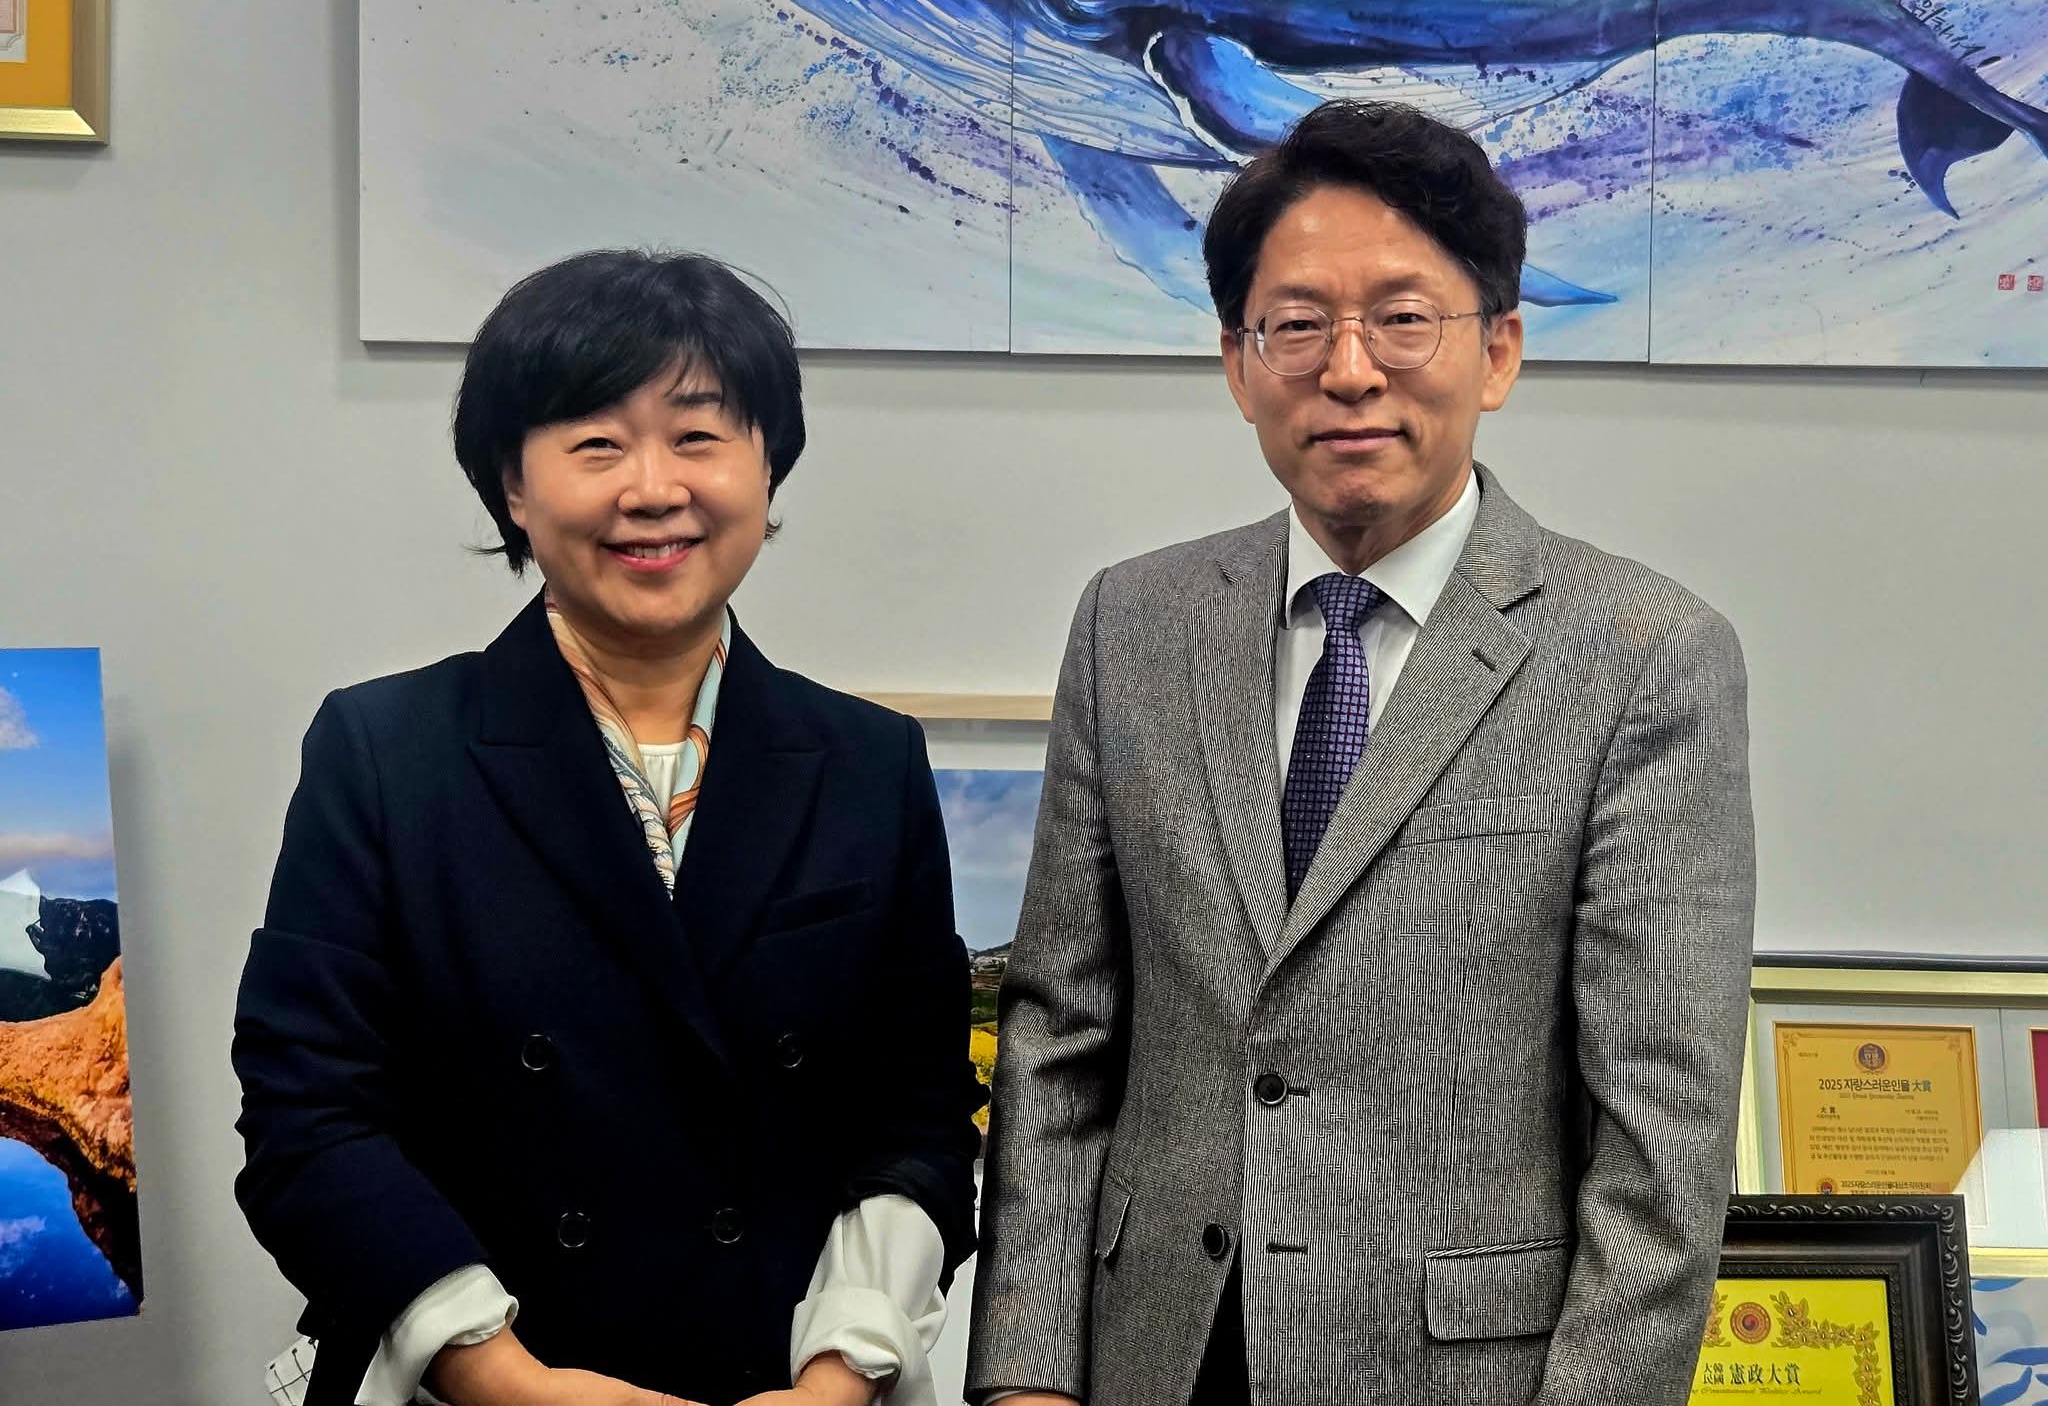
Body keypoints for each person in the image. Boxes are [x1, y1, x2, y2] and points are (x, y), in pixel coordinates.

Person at [966, 102, 1757, 1405]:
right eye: (1295, 324)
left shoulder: (1642, 655)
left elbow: (1661, 1137)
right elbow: (1060, 1037)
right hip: (1153, 1359)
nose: (1348, 371)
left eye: (1401, 318)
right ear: (1237, 365)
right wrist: (1027, 1376)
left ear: (1497, 351)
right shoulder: (1132, 624)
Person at [233, 251, 983, 1406]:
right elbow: (307, 1115)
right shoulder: (386, 751)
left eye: (697, 435)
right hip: (475, 1384)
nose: (652, 487)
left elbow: (919, 1115)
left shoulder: (866, 763)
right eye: (595, 442)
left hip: (778, 1383)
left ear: (767, 466)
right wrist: (509, 1382)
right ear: (512, 485)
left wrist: (843, 1370)